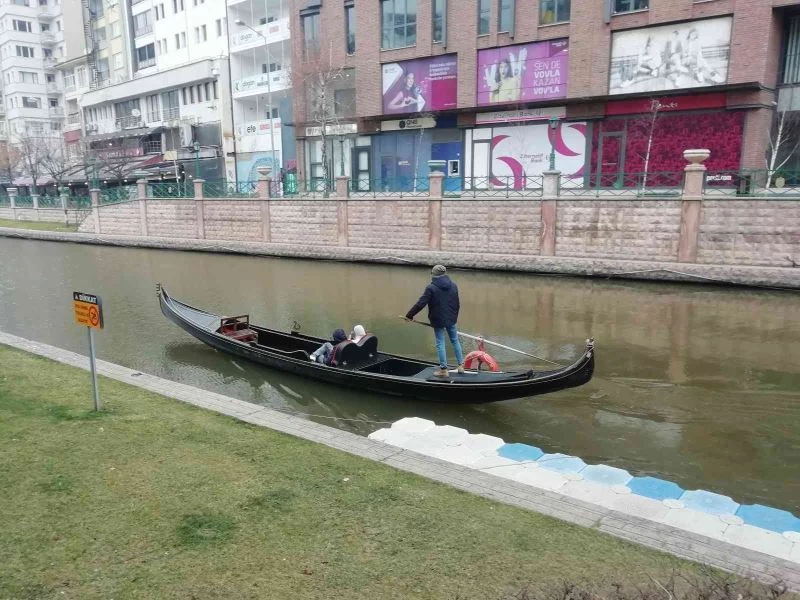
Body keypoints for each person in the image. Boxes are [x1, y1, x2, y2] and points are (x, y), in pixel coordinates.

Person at [404, 264, 465, 378]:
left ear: (434, 275)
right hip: (451, 318)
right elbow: (457, 304)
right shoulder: (453, 285)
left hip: (438, 320)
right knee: (455, 340)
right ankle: (461, 366)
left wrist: (409, 315)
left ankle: (443, 370)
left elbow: (420, 304)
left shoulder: (431, 288)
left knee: (440, 342)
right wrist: (454, 317)